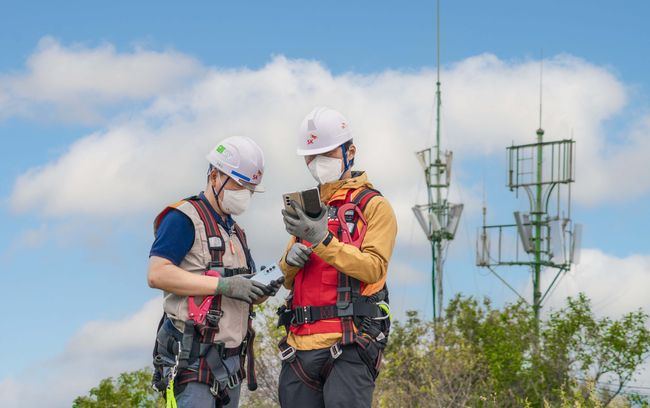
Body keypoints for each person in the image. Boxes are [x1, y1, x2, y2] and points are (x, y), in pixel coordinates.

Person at [147, 136, 283, 407]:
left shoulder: (236, 232)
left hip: (230, 363)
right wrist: (223, 286)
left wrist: (263, 289)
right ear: (214, 176)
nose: (245, 193)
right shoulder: (183, 218)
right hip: (193, 360)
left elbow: (244, 293)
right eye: (239, 184)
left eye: (250, 188)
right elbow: (157, 274)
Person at [277, 107, 398, 407]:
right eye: (310, 155)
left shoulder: (374, 206)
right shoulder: (308, 207)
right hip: (299, 348)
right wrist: (289, 262)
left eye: (326, 153)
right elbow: (287, 281)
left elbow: (373, 268)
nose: (317, 162)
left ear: (350, 151)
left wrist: (322, 239)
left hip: (350, 343)